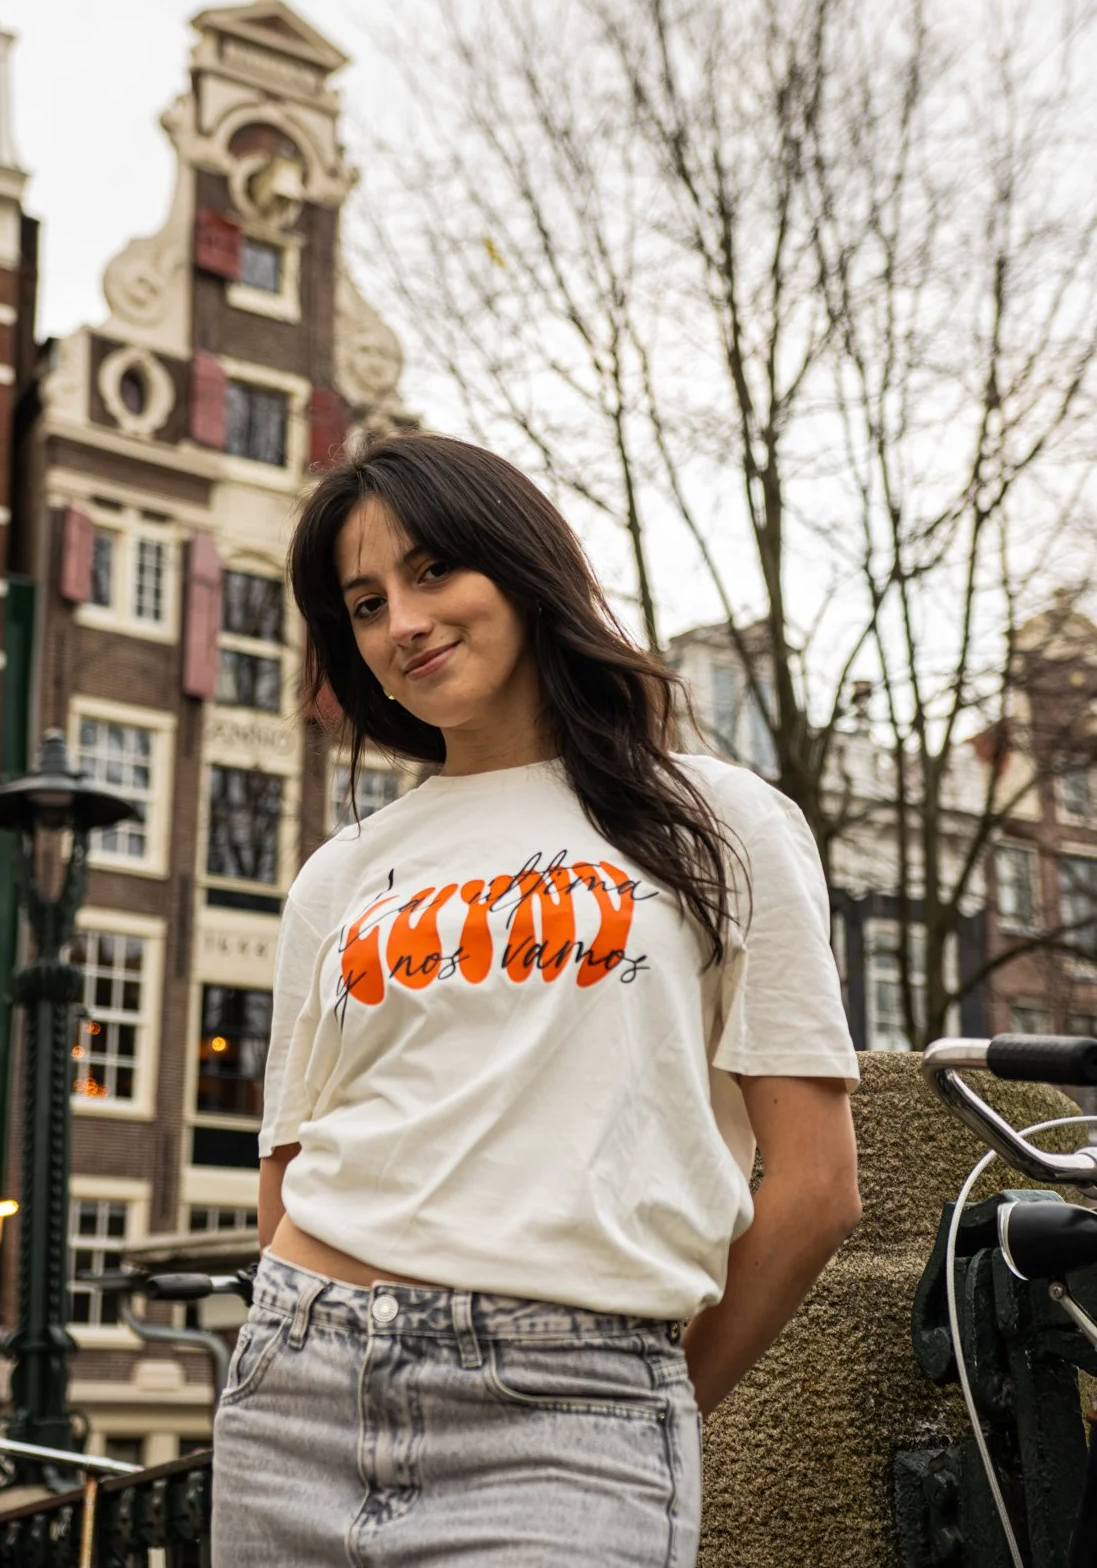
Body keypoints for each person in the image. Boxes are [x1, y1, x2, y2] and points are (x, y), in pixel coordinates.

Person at [211, 431, 861, 1567]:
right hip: (296, 1391)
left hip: (573, 1403)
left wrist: (650, 1404)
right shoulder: (341, 872)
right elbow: (290, 1162)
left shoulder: (717, 820)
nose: (400, 623)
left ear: (519, 566)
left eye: (429, 572)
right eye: (363, 604)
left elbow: (814, 1184)